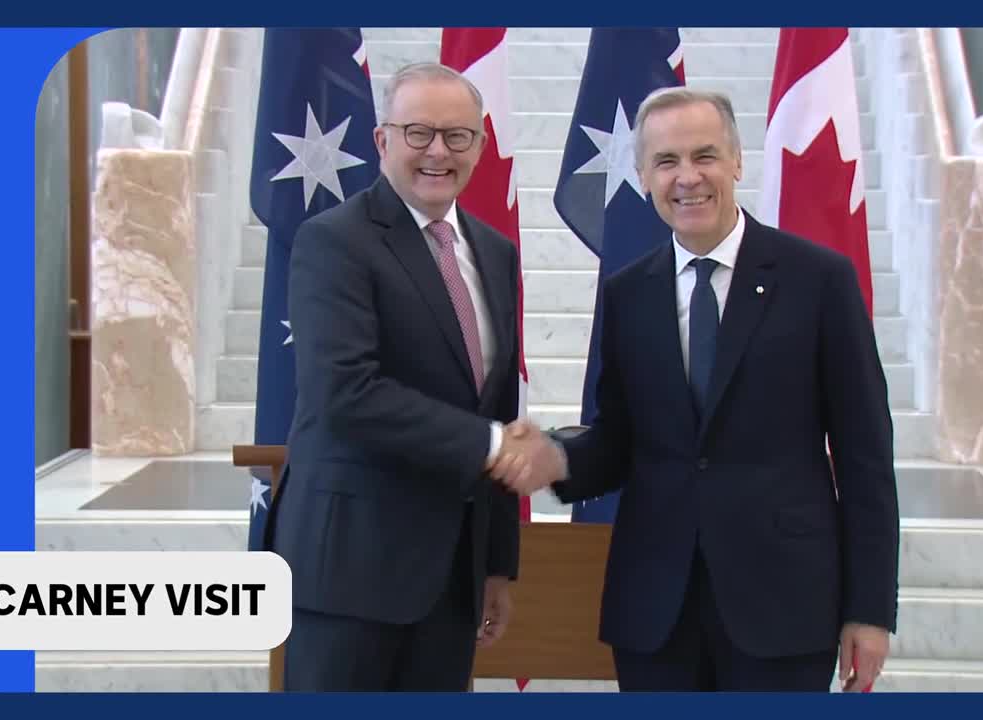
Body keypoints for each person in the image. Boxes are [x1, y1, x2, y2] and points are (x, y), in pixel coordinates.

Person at [494, 86, 900, 692]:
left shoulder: (818, 280)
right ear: (642, 177)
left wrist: (869, 609)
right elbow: (620, 438)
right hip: (658, 610)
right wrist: (557, 456)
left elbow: (865, 456)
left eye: (704, 155)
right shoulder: (629, 292)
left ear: (737, 161)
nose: (687, 178)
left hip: (784, 607)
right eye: (666, 162)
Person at [264, 62, 546, 691]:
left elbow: (496, 406)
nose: (438, 152)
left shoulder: (495, 254)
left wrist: (496, 563)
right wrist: (492, 444)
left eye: (457, 136)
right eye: (418, 132)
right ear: (382, 140)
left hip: (452, 579)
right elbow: (346, 394)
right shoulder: (334, 242)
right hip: (350, 573)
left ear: (480, 145)